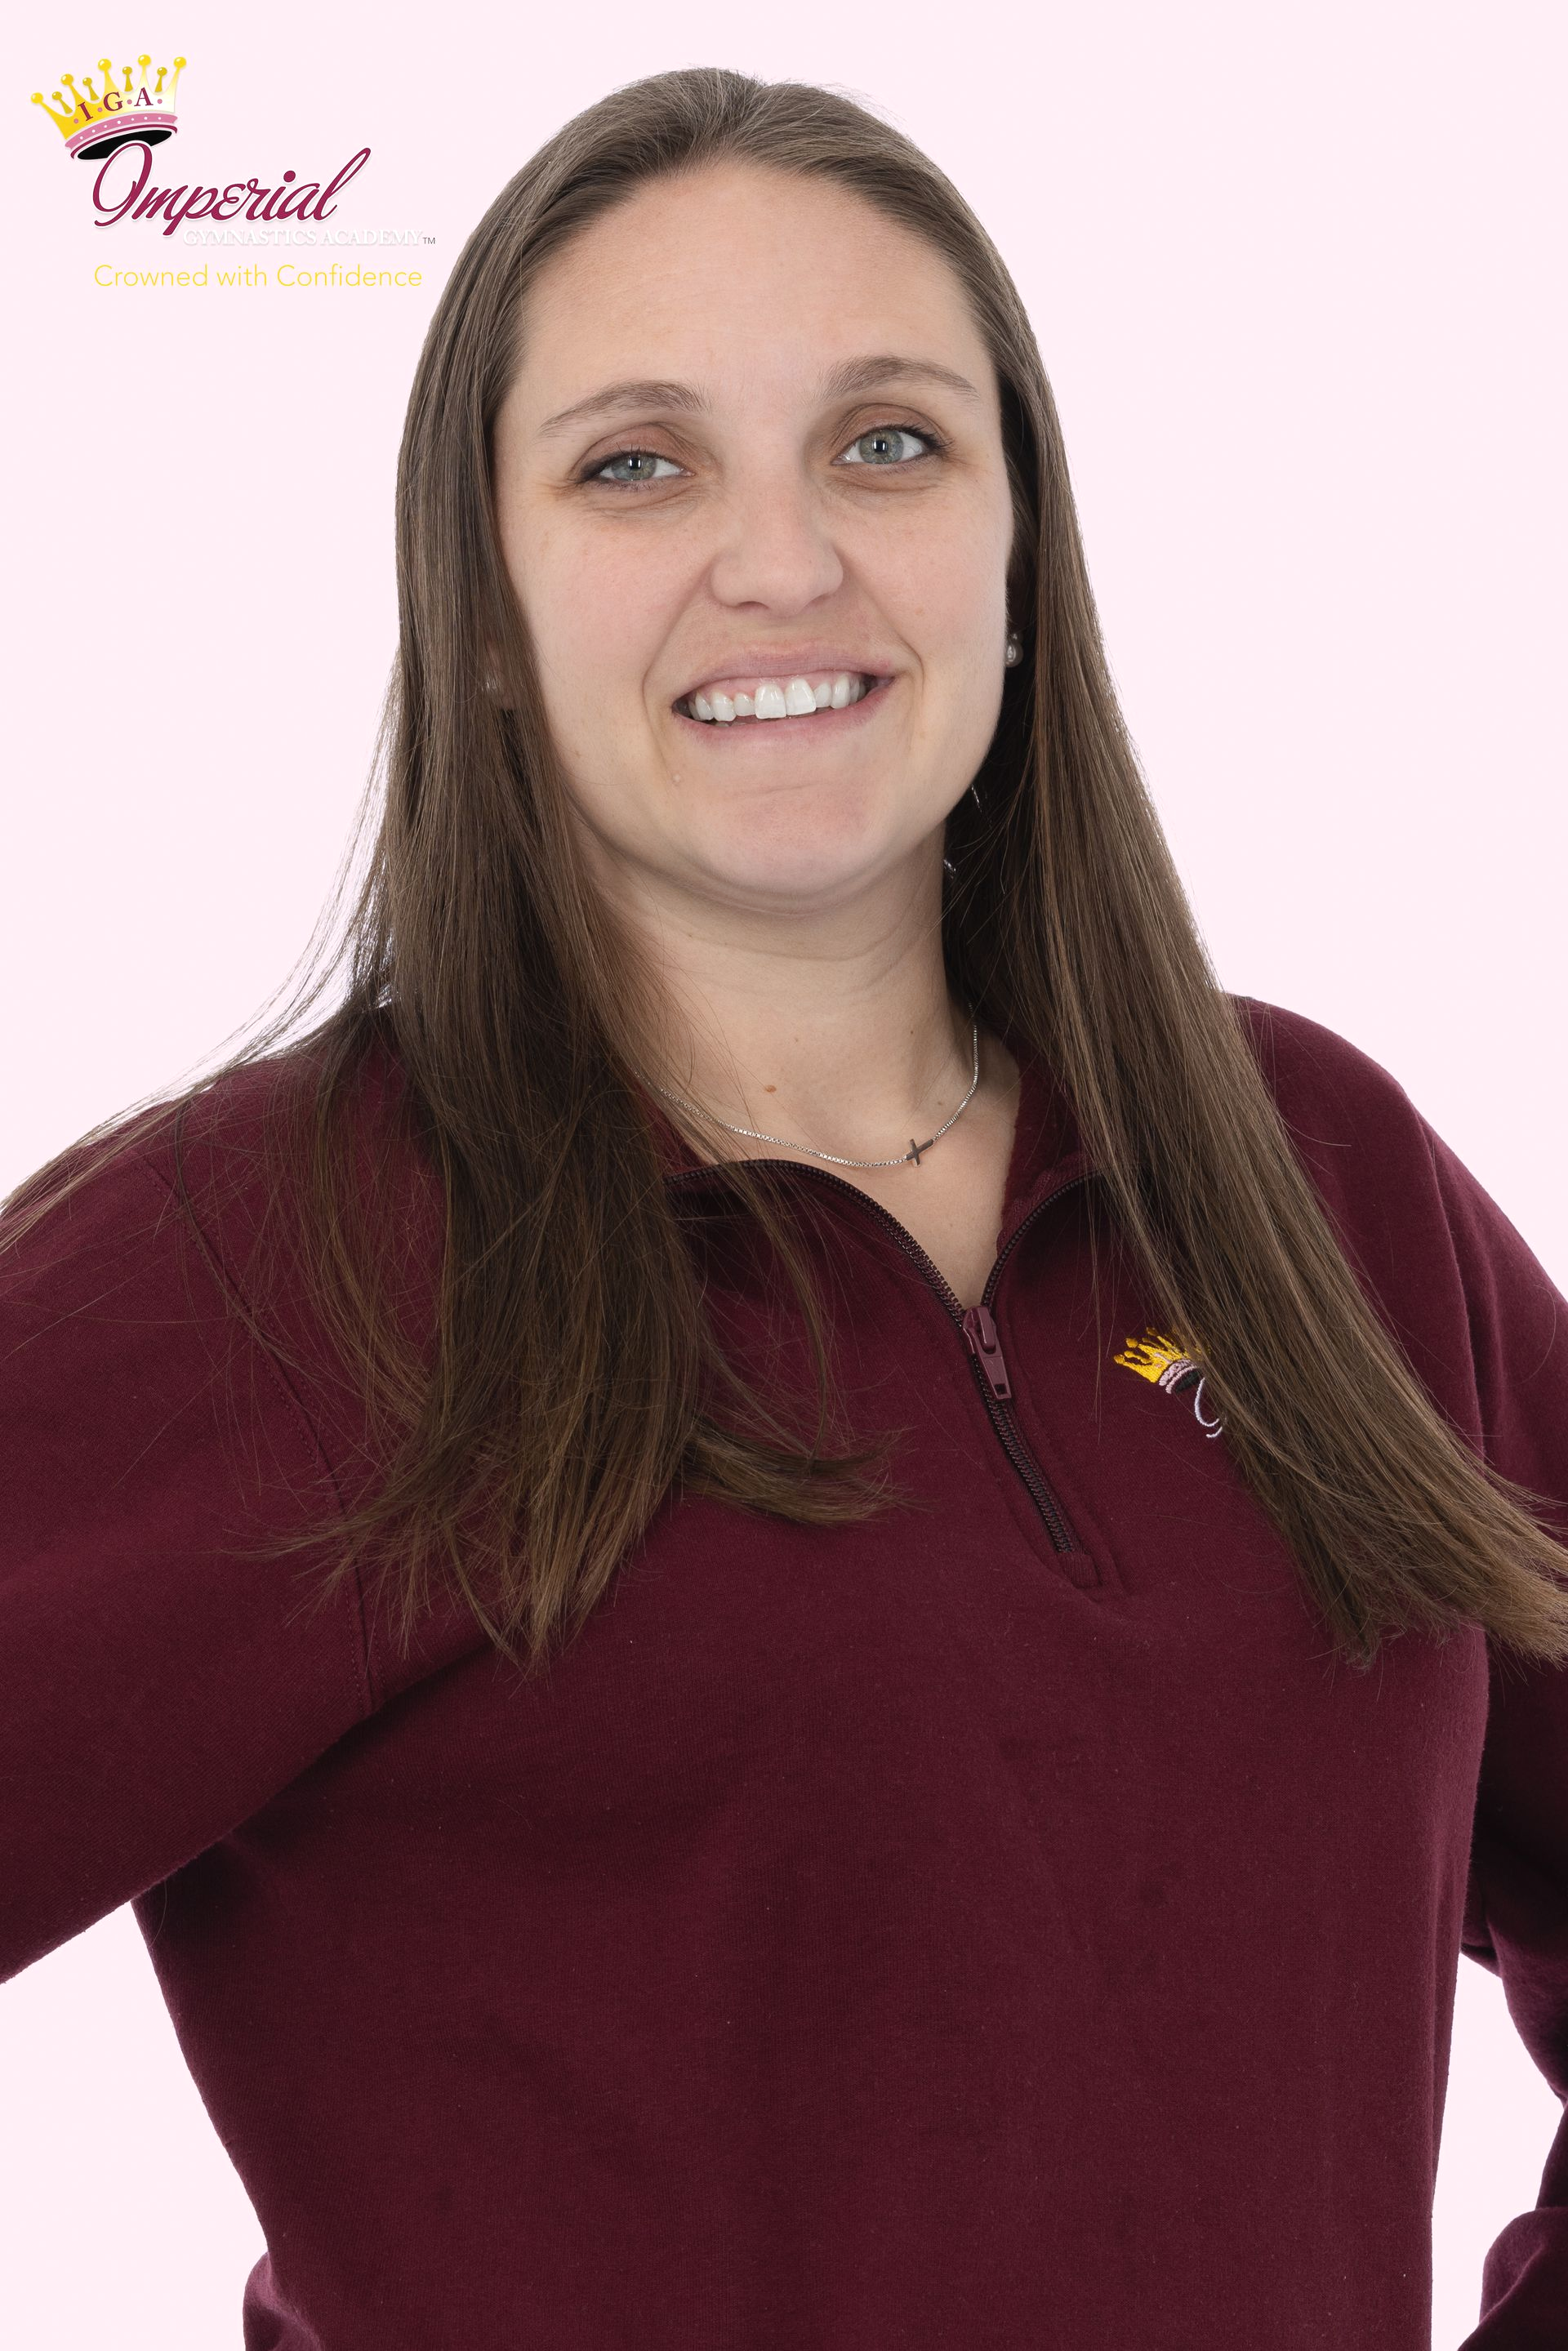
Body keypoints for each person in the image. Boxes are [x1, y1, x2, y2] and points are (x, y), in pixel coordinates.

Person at [3, 65, 1566, 2351]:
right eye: (636, 463)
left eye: (887, 441)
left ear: (1020, 552)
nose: (783, 560)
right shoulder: (267, 1266)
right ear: (482, 598)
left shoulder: (1309, 1174)